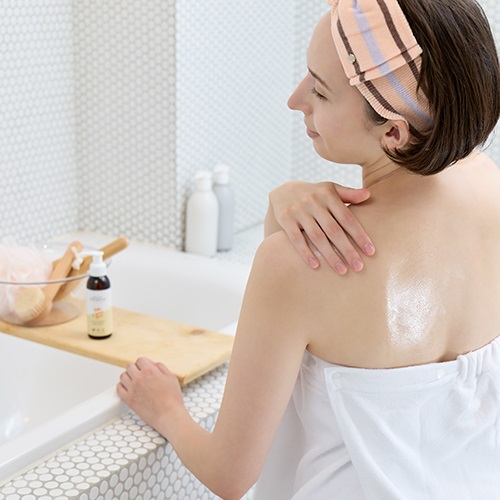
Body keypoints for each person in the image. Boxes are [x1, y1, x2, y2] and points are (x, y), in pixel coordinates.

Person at [117, 0, 500, 498]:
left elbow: (228, 475)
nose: (296, 99)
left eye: (320, 91)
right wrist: (285, 202)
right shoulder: (488, 186)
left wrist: (167, 409)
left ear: (393, 131)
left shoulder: (296, 268)